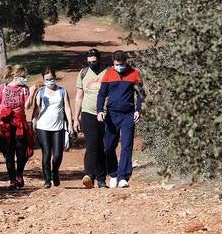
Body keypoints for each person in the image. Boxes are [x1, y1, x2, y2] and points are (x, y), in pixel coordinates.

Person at [97, 50, 144, 188]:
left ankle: (123, 176)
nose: (119, 67)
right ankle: (113, 174)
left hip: (128, 114)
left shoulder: (135, 73)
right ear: (113, 63)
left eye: (121, 64)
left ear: (125, 62)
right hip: (112, 115)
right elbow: (101, 94)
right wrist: (100, 110)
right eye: (116, 64)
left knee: (127, 145)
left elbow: (141, 94)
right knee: (109, 146)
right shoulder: (108, 73)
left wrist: (138, 110)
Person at [0, 65, 35, 189]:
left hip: (19, 124)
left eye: (25, 77)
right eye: (23, 76)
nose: (25, 79)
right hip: (5, 125)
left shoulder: (24, 89)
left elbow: (27, 106)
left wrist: (32, 93)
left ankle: (19, 175)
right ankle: (12, 180)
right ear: (15, 75)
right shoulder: (2, 88)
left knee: (21, 152)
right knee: (9, 153)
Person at [32, 68, 75, 189]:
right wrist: (33, 123)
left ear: (55, 78)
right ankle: (47, 180)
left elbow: (67, 108)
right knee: (46, 154)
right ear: (43, 80)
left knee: (57, 155)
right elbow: (36, 109)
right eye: (47, 79)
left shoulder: (62, 91)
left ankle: (55, 172)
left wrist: (70, 125)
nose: (49, 81)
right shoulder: (40, 92)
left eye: (51, 79)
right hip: (42, 127)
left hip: (58, 127)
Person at [74, 47, 107, 189]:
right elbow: (79, 96)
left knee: (102, 147)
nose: (92, 64)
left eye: (94, 61)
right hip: (88, 113)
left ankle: (101, 178)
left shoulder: (107, 72)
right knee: (92, 144)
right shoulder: (83, 73)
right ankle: (89, 175)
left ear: (99, 60)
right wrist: (76, 118)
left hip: (105, 114)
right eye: (89, 62)